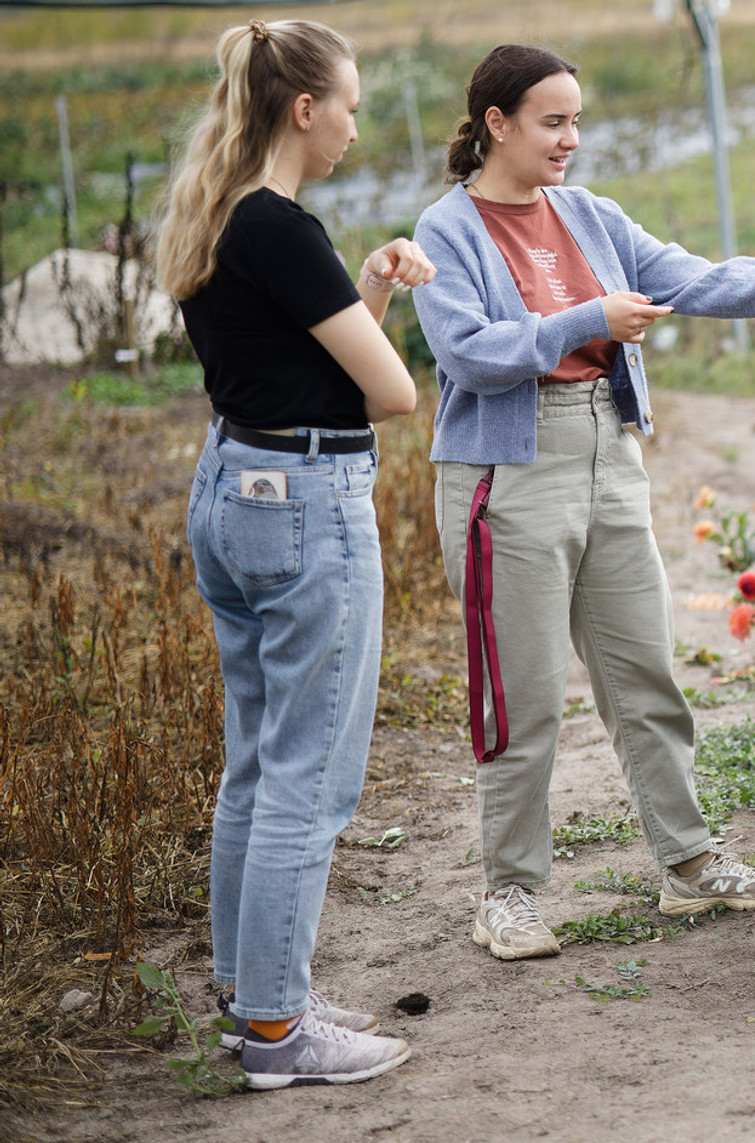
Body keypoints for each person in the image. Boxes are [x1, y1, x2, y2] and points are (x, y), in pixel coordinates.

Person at [411, 44, 755, 960]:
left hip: (611, 454)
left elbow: (695, 279)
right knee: (522, 701)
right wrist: (590, 319)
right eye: (553, 122)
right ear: (497, 125)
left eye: (579, 120)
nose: (572, 139)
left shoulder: (590, 215)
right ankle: (508, 894)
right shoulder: (447, 231)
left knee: (647, 675)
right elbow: (468, 354)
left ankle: (689, 864)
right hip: (507, 476)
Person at [157, 17, 434, 1088]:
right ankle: (278, 1029)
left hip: (233, 488)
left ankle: (249, 991)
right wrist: (379, 317)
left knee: (260, 762)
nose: (357, 129)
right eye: (352, 107)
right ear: (304, 109)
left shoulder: (216, 216)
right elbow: (390, 395)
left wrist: (370, 291)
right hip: (308, 506)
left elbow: (294, 374)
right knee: (309, 781)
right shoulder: (283, 227)